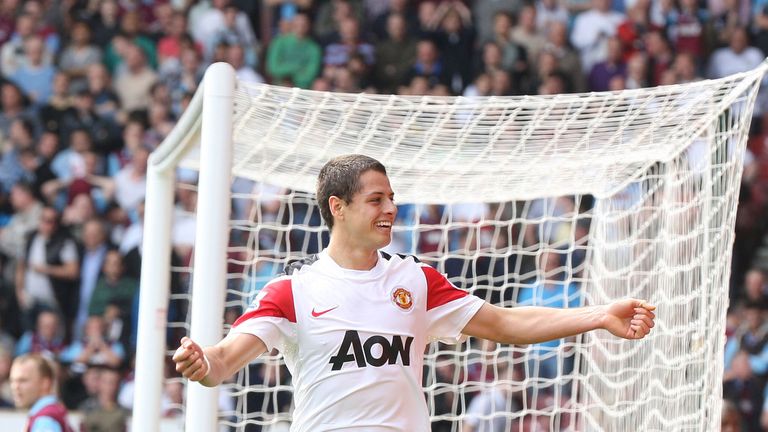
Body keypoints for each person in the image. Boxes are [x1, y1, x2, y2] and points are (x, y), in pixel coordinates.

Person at [173, 154, 656, 430]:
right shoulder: (292, 291)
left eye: (393, 198)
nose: (391, 209)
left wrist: (597, 315)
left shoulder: (415, 281)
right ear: (337, 207)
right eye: (376, 199)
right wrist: (204, 362)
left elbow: (505, 324)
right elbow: (223, 361)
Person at [9, 353, 73, 432]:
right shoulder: (53, 411)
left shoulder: (45, 420)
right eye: (12, 381)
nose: (15, 387)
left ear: (45, 383)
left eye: (23, 380)